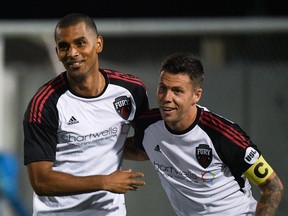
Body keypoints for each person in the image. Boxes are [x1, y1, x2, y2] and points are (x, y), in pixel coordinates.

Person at [125, 53, 284, 216]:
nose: (167, 98)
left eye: (177, 91)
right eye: (163, 88)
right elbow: (140, 149)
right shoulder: (148, 125)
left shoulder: (224, 134)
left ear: (196, 95)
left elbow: (273, 187)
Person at [22, 13, 149, 216]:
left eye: (80, 43)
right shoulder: (45, 104)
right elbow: (41, 181)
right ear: (57, 52)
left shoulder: (130, 91)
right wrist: (104, 181)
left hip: (109, 212)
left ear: (98, 44)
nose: (72, 53)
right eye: (64, 46)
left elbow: (146, 146)